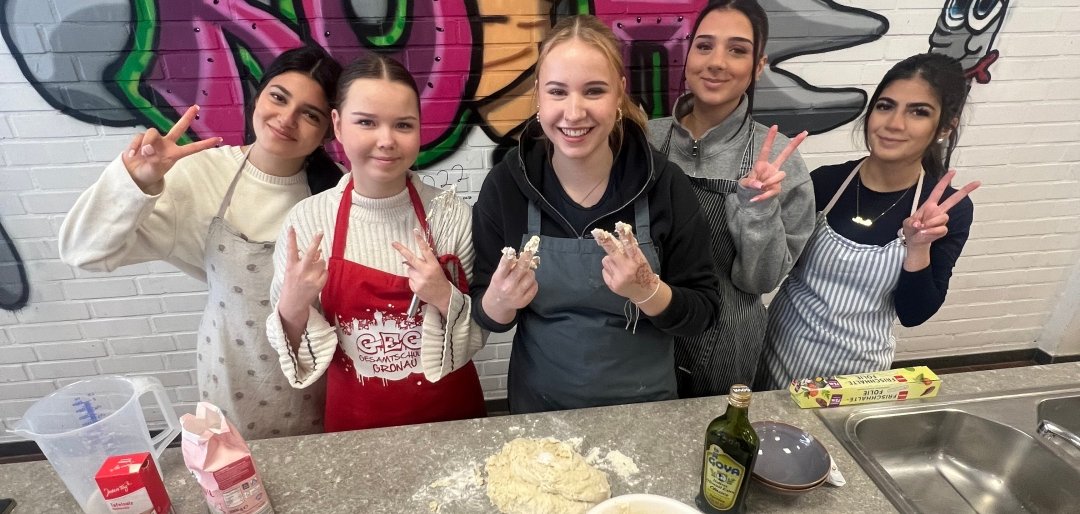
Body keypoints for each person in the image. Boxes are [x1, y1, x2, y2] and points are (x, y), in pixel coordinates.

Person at [59, 45, 343, 438]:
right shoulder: (201, 174)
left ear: (329, 129)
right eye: (278, 98)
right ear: (258, 95)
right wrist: (135, 183)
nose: (287, 119)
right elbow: (83, 251)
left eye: (310, 114)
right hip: (235, 377)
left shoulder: (339, 192)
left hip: (324, 379)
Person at [471, 15, 721, 414]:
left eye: (594, 91)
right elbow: (487, 314)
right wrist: (499, 302)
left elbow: (703, 313)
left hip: (645, 411)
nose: (574, 112)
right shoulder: (507, 187)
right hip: (540, 410)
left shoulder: (663, 184)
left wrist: (647, 290)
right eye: (557, 91)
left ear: (619, 94)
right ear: (538, 96)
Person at [267, 54, 486, 432]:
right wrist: (292, 306)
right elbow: (295, 353)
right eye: (366, 122)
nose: (386, 141)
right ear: (337, 125)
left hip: (453, 420)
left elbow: (478, 333)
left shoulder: (452, 216)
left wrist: (443, 296)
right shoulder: (308, 221)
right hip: (356, 424)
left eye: (403, 125)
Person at [756, 53, 981, 390]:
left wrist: (918, 248)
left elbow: (914, 314)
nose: (894, 124)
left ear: (946, 127)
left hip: (857, 378)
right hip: (778, 354)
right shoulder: (826, 182)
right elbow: (768, 273)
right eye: (885, 106)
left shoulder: (946, 211)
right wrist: (762, 210)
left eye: (918, 112)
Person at [647, 0, 814, 398]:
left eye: (737, 50)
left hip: (726, 344)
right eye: (704, 46)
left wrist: (758, 208)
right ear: (688, 55)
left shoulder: (779, 159)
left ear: (758, 66)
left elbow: (760, 281)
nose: (717, 62)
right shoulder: (646, 139)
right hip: (644, 334)